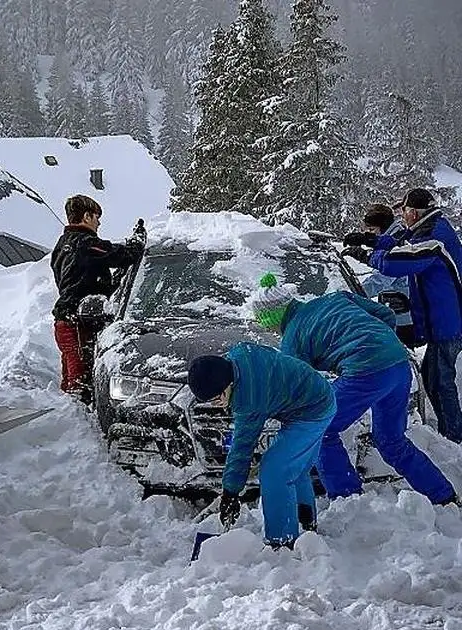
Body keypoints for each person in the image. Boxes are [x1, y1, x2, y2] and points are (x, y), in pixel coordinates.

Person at [251, 273, 459, 506]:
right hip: (399, 364)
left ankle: (348, 500)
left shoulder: (292, 339)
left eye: (266, 323)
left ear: (272, 317)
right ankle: (443, 496)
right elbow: (386, 314)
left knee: (318, 429)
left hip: (365, 372)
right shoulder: (337, 298)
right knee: (391, 441)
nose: (270, 330)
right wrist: (380, 344)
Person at [186, 344, 336, 548]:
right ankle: (306, 521)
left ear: (228, 383)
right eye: (209, 401)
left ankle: (281, 542)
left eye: (217, 397)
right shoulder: (238, 355)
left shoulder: (249, 397)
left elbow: (242, 447)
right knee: (296, 469)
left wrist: (230, 491)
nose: (216, 404)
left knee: (274, 471)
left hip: (313, 411)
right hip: (315, 395)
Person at [366, 188, 462, 443]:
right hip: (444, 321)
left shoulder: (435, 237)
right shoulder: (429, 229)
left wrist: (368, 256)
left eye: (405, 211)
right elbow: (403, 243)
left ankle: (454, 438)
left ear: (414, 212)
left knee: (440, 382)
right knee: (433, 378)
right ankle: (450, 433)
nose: (403, 216)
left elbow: (398, 261)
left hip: (448, 323)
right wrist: (372, 241)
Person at [50, 195, 145, 400]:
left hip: (67, 320)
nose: (99, 223)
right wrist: (137, 244)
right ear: (86, 216)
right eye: (96, 217)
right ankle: (76, 416)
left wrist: (112, 283)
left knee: (71, 379)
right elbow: (119, 255)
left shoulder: (63, 244)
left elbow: (80, 279)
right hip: (77, 322)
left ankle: (70, 412)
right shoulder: (85, 243)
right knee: (80, 385)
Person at [342, 203, 415, 346]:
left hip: (403, 316)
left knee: (400, 352)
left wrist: (353, 295)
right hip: (393, 309)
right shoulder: (393, 237)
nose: (370, 233)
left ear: (383, 226)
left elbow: (380, 279)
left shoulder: (398, 243)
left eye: (372, 229)